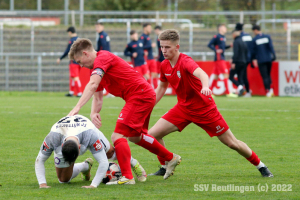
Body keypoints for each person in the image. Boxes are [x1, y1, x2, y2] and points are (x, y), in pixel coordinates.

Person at [147, 29, 273, 178]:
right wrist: (148, 105)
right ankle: (165, 165)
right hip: (183, 108)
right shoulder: (164, 65)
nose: (163, 50)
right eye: (161, 47)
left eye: (167, 47)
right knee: (152, 135)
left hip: (204, 109)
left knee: (232, 143)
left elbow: (202, 74)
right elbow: (161, 87)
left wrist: (205, 86)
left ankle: (261, 166)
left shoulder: (185, 61)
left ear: (177, 47)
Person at [67, 38, 181, 185]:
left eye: (79, 61)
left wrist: (76, 108)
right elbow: (98, 97)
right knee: (135, 136)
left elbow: (93, 84)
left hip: (140, 95)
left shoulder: (102, 59)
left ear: (85, 53)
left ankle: (127, 177)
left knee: (117, 135)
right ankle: (170, 157)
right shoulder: (96, 68)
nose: (81, 65)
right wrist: (93, 113)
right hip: (143, 94)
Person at [35, 115, 147, 189]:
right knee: (63, 180)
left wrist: (93, 185)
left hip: (86, 127)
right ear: (62, 146)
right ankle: (85, 166)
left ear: (80, 147)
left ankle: (133, 162)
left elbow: (103, 162)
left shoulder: (91, 135)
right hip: (64, 132)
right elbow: (39, 160)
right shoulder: (52, 138)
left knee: (110, 154)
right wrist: (42, 184)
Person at [207, 24, 237, 97]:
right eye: (224, 27)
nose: (225, 28)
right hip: (219, 58)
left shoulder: (223, 37)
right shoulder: (217, 36)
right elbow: (209, 44)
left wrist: (229, 46)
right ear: (220, 29)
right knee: (225, 74)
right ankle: (227, 92)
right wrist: (216, 50)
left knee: (216, 76)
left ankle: (209, 92)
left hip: (221, 58)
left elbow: (223, 48)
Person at [57, 27, 82, 97]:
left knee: (75, 77)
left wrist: (60, 58)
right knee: (73, 77)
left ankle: (80, 92)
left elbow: (67, 51)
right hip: (79, 61)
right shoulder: (79, 40)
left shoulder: (71, 40)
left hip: (73, 61)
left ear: (70, 32)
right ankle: (71, 92)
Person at [252, 25, 276, 97]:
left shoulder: (255, 39)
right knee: (268, 75)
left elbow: (254, 51)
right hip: (269, 59)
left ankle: (267, 91)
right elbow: (271, 47)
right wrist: (274, 55)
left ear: (256, 30)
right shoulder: (267, 37)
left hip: (261, 60)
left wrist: (254, 59)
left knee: (265, 76)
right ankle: (271, 90)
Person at [234, 23, 253, 97]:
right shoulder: (248, 36)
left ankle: (244, 91)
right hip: (248, 58)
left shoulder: (239, 37)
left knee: (241, 76)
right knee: (244, 75)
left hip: (241, 59)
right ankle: (247, 91)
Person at [229, 30, 248, 96]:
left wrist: (233, 62)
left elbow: (236, 53)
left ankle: (241, 88)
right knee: (240, 77)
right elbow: (246, 52)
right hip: (244, 62)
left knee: (231, 77)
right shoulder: (243, 41)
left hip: (238, 62)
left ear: (234, 35)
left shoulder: (236, 42)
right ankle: (242, 92)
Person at [140, 23, 158, 89]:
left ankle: (157, 90)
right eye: (149, 28)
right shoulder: (142, 37)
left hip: (151, 58)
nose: (150, 29)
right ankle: (148, 90)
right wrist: (150, 46)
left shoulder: (148, 36)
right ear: (145, 28)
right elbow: (140, 47)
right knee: (148, 76)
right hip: (146, 59)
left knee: (155, 74)